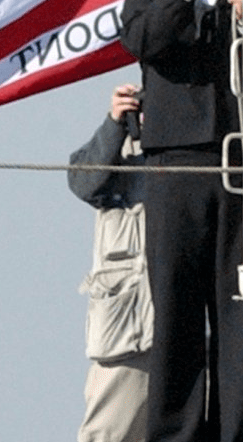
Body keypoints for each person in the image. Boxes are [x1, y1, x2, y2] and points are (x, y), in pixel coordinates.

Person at [119, 0, 243, 442]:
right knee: (176, 308)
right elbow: (146, 41)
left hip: (239, 168)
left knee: (241, 310)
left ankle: (239, 430)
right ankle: (175, 433)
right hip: (174, 169)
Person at [67, 83, 151, 442]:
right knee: (107, 434)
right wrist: (116, 124)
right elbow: (84, 181)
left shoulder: (203, 152)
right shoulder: (121, 153)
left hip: (194, 327)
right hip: (129, 330)